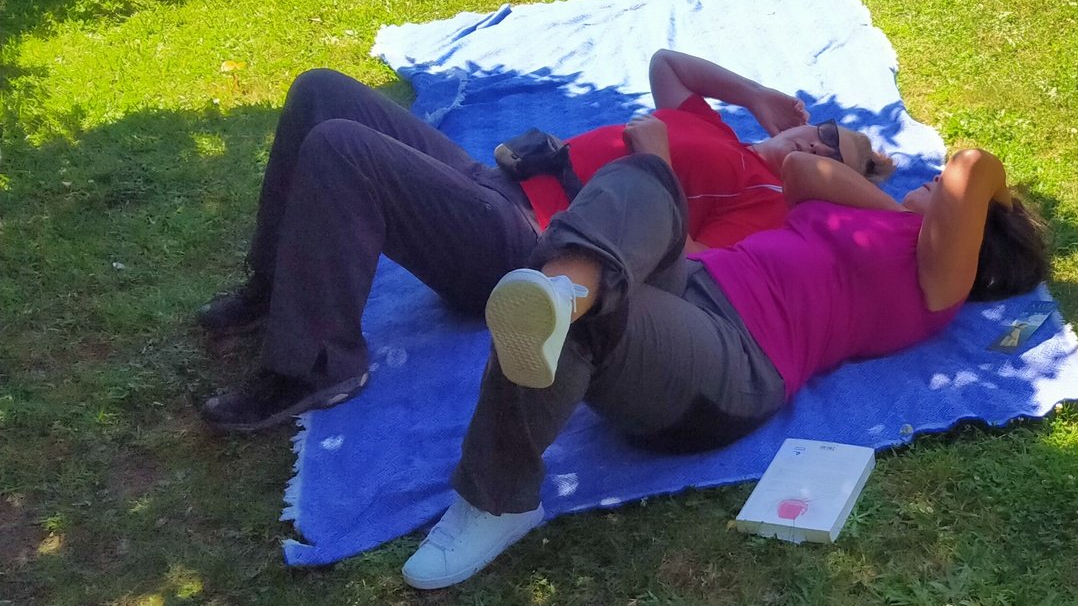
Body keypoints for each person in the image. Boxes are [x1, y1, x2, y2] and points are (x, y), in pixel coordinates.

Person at [398, 137, 1049, 589]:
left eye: (948, 196)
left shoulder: (941, 284)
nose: (932, 178)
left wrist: (996, 200)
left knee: (593, 323)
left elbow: (972, 163)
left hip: (736, 359)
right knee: (645, 176)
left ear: (979, 237)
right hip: (696, 283)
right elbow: (800, 170)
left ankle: (497, 499)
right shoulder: (889, 227)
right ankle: (564, 294)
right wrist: (901, 209)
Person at [197, 50, 892, 432]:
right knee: (321, 91)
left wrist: (656, 167)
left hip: (529, 241)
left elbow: (683, 268)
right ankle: (277, 286)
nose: (819, 143)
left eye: (838, 156)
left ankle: (318, 362)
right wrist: (757, 94)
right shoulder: (721, 131)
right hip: (498, 185)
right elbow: (667, 65)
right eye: (828, 129)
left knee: (342, 148)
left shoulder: (766, 201)